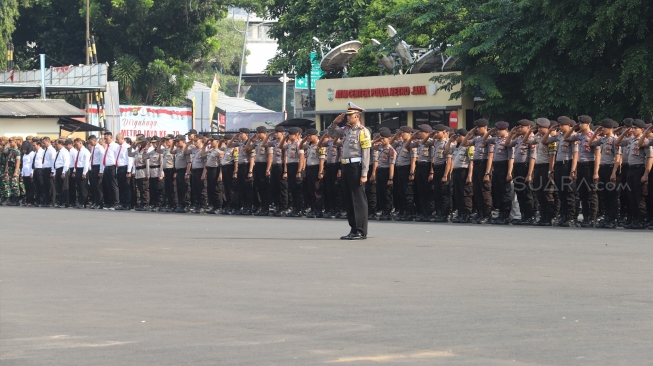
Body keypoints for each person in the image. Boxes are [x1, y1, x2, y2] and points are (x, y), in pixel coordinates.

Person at [327, 102, 371, 240]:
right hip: (346, 166)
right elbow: (331, 133)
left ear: (357, 117)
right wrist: (335, 122)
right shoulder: (347, 130)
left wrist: (364, 173)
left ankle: (361, 231)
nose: (347, 117)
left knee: (358, 199)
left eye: (350, 115)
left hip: (356, 167)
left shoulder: (363, 131)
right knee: (349, 198)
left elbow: (366, 153)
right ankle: (353, 229)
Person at [542, 117, 578, 227]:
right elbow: (544, 140)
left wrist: (573, 170)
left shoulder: (573, 137)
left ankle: (570, 217)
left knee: (569, 193)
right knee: (561, 192)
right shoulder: (559, 136)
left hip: (567, 165)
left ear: (569, 125)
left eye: (562, 125)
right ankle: (563, 216)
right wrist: (550, 130)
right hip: (558, 166)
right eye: (559, 125)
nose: (560, 127)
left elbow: (575, 155)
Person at [564, 115, 600, 227]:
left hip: (590, 165)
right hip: (580, 166)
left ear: (588, 124)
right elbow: (566, 137)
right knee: (582, 193)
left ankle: (593, 218)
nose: (580, 125)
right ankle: (585, 217)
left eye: (582, 123)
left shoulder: (593, 137)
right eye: (579, 123)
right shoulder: (579, 136)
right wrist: (573, 127)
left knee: (591, 193)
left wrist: (595, 172)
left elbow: (598, 156)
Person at [523, 118, 557, 225]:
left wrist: (550, 170)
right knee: (539, 193)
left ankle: (549, 218)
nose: (538, 128)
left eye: (540, 127)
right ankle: (543, 217)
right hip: (538, 167)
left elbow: (552, 156)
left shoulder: (550, 139)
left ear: (546, 128)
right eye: (537, 126)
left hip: (546, 167)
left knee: (547, 193)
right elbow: (525, 140)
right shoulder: (538, 138)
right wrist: (530, 131)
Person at [588, 119, 622, 228]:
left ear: (611, 128)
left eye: (604, 128)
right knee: (604, 195)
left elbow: (617, 157)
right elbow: (590, 143)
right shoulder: (602, 140)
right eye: (602, 127)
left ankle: (613, 219)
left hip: (611, 168)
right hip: (602, 168)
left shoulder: (615, 140)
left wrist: (614, 173)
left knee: (612, 195)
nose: (603, 129)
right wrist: (596, 132)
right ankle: (607, 217)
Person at [462, 119, 494, 224]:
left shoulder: (489, 139)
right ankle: (480, 213)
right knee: (477, 190)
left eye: (478, 127)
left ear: (484, 127)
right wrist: (469, 134)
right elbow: (464, 143)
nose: (476, 129)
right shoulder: (477, 139)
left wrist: (487, 173)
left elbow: (490, 157)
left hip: (484, 165)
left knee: (485, 191)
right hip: (476, 165)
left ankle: (487, 214)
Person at [483, 121, 513, 224]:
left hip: (504, 166)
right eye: (497, 130)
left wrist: (509, 173)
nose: (498, 132)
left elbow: (511, 158)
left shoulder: (508, 141)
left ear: (506, 130)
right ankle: (500, 213)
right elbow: (484, 139)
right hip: (496, 167)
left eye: (500, 130)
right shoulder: (496, 140)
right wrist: (489, 131)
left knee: (505, 192)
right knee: (498, 191)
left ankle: (505, 215)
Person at [507, 120, 536, 225]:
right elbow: (508, 144)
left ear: (528, 127)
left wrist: (529, 174)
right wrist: (512, 133)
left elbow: (532, 157)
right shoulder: (519, 139)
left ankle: (530, 216)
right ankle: (523, 215)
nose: (519, 129)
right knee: (519, 193)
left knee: (527, 193)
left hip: (526, 167)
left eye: (521, 127)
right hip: (518, 168)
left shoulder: (532, 139)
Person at [406, 124, 434, 222]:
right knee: (421, 191)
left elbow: (432, 158)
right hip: (420, 166)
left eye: (422, 132)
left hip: (427, 166)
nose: (420, 133)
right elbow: (407, 145)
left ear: (427, 133)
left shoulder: (431, 143)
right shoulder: (420, 143)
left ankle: (429, 213)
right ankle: (423, 212)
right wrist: (412, 137)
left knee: (428, 191)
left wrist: (431, 172)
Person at [390, 126, 416, 221]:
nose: (402, 134)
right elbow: (389, 144)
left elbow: (413, 160)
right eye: (401, 132)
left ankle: (409, 213)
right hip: (399, 169)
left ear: (409, 133)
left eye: (404, 132)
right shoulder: (400, 144)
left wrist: (412, 172)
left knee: (408, 192)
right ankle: (403, 212)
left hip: (406, 169)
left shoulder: (412, 144)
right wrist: (396, 135)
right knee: (401, 192)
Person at [448, 129, 474, 223]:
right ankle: (461, 213)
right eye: (457, 136)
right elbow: (447, 151)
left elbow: (471, 162)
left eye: (459, 136)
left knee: (465, 194)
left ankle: (467, 214)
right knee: (458, 194)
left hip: (464, 171)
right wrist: (450, 141)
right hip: (456, 171)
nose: (458, 137)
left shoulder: (469, 146)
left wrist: (469, 175)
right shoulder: (456, 147)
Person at [299, 128, 326, 218]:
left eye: (310, 135)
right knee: (310, 190)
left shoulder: (320, 145)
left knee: (317, 191)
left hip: (316, 169)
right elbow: (300, 146)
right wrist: (305, 139)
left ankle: (319, 210)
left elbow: (322, 160)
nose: (309, 137)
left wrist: (320, 172)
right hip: (309, 169)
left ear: (315, 135)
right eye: (308, 135)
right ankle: (313, 209)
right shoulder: (309, 145)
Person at [249, 126, 273, 215]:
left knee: (264, 188)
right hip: (257, 166)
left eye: (260, 133)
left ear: (265, 134)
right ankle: (260, 207)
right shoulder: (257, 143)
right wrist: (251, 139)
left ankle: (265, 208)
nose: (258, 134)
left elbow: (270, 157)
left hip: (264, 166)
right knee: (257, 187)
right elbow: (248, 148)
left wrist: (268, 169)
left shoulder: (268, 143)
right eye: (257, 133)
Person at [375, 128, 396, 221]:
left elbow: (391, 165)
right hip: (379, 171)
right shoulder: (380, 147)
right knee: (380, 193)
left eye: (384, 138)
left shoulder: (391, 150)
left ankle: (388, 212)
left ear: (389, 138)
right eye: (381, 138)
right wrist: (377, 139)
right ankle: (383, 211)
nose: (382, 140)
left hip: (386, 172)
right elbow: (370, 145)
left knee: (387, 193)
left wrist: (390, 178)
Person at [267, 126, 289, 217]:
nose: (276, 134)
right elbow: (265, 144)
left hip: (281, 167)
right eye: (275, 132)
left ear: (282, 133)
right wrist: (269, 135)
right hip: (274, 166)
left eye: (277, 132)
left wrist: (285, 171)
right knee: (274, 188)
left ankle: (284, 208)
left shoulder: (284, 143)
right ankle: (277, 207)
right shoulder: (274, 143)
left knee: (282, 188)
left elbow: (285, 158)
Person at [283, 127, 305, 217]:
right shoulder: (290, 143)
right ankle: (295, 209)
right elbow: (281, 146)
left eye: (291, 134)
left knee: (298, 190)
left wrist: (299, 171)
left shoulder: (299, 143)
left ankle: (299, 209)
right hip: (290, 166)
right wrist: (285, 138)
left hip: (296, 166)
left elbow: (301, 158)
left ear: (296, 135)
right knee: (292, 189)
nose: (289, 135)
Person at [322, 128, 343, 219]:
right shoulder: (329, 142)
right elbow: (320, 144)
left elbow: (341, 157)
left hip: (336, 166)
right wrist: (324, 136)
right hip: (329, 166)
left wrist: (339, 170)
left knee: (336, 189)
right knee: (329, 189)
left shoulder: (339, 143)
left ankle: (338, 210)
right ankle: (332, 209)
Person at [186, 137, 208, 213]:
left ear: (201, 141)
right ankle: (198, 205)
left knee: (202, 189)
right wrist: (187, 145)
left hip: (201, 171)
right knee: (195, 189)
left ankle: (203, 205)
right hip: (194, 171)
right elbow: (185, 152)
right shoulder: (194, 150)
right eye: (194, 141)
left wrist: (204, 173)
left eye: (196, 141)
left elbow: (205, 163)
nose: (194, 142)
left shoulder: (204, 150)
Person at [171, 135, 192, 213]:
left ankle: (186, 204)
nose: (176, 143)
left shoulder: (186, 150)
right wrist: (173, 144)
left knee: (185, 189)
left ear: (183, 141)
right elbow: (171, 151)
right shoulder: (178, 150)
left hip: (184, 171)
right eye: (176, 141)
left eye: (178, 141)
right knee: (179, 188)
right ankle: (180, 204)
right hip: (179, 171)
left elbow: (189, 163)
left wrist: (187, 173)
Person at [202, 135, 222, 214]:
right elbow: (202, 154)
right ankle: (213, 205)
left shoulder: (219, 152)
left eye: (212, 141)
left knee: (216, 189)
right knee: (210, 189)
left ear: (217, 142)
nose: (211, 143)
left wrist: (220, 175)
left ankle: (218, 206)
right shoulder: (210, 151)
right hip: (209, 170)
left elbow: (221, 165)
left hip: (215, 170)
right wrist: (205, 145)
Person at [220, 135, 238, 214]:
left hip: (230, 168)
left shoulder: (235, 148)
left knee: (231, 189)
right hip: (224, 168)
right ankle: (228, 205)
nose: (226, 141)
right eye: (225, 140)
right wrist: (222, 141)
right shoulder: (226, 148)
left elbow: (236, 161)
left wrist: (235, 171)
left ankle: (233, 206)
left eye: (227, 140)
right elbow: (219, 147)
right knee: (226, 188)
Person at [130, 137, 150, 211]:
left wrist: (147, 174)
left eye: (139, 143)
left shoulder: (145, 152)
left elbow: (147, 163)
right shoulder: (137, 151)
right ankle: (141, 203)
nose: (138, 145)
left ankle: (145, 204)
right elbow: (129, 154)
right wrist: (132, 146)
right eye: (138, 143)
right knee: (140, 189)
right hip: (138, 172)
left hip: (143, 171)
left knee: (145, 189)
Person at [159, 134, 177, 211]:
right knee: (167, 188)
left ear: (173, 141)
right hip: (166, 170)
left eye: (168, 140)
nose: (167, 141)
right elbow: (158, 150)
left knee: (173, 188)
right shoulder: (166, 149)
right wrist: (160, 143)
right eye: (166, 140)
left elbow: (175, 161)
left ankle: (174, 204)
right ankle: (169, 204)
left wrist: (175, 172)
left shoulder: (175, 149)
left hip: (172, 170)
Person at [51, 139, 71, 208]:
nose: (55, 145)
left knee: (64, 187)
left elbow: (66, 162)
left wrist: (63, 172)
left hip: (63, 169)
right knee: (59, 187)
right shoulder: (57, 152)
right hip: (58, 170)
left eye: (56, 144)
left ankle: (66, 202)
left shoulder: (64, 152)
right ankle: (61, 201)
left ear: (60, 144)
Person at [2, 137, 21, 206]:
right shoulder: (10, 151)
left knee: (15, 185)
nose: (10, 143)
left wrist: (15, 171)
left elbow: (18, 162)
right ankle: (12, 199)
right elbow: (7, 160)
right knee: (10, 184)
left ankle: (16, 200)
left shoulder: (17, 151)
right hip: (9, 169)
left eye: (11, 142)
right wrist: (6, 170)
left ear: (15, 142)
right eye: (9, 141)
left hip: (14, 168)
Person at [72, 138, 91, 208]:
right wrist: (74, 171)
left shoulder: (86, 151)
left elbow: (86, 163)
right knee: (79, 187)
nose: (76, 146)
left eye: (76, 144)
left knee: (83, 188)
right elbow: (76, 162)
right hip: (78, 169)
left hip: (83, 170)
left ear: (80, 143)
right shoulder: (78, 151)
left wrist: (84, 173)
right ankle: (80, 202)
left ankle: (84, 202)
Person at [40, 136, 57, 207]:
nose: (43, 144)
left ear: (48, 142)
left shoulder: (52, 150)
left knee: (51, 186)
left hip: (50, 169)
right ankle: (47, 201)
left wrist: (53, 171)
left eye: (44, 143)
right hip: (45, 169)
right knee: (46, 186)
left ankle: (52, 201)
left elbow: (53, 161)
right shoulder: (45, 150)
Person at [20, 140, 36, 206]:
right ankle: (27, 200)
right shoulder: (24, 155)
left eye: (25, 149)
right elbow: (24, 165)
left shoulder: (32, 153)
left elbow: (32, 164)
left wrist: (32, 172)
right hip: (25, 173)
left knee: (31, 188)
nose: (24, 151)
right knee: (27, 188)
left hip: (30, 173)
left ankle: (31, 201)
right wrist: (22, 173)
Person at [65, 138, 78, 206]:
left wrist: (74, 171)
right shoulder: (68, 151)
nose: (66, 146)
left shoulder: (74, 151)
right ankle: (69, 200)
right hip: (68, 168)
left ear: (71, 144)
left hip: (73, 168)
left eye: (67, 145)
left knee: (72, 186)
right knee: (69, 185)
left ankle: (73, 201)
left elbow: (76, 161)